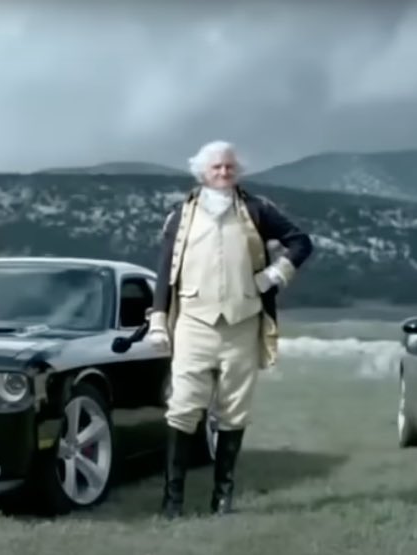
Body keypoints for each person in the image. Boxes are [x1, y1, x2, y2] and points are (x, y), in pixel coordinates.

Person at [148, 140, 313, 519]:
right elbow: (165, 272)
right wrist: (158, 319)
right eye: (216, 167)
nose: (224, 173)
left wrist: (273, 275)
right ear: (202, 172)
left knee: (234, 410)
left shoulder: (257, 210)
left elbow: (301, 243)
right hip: (193, 324)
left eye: (229, 167)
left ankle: (222, 498)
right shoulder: (180, 216)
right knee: (183, 408)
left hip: (243, 322)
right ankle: (172, 501)